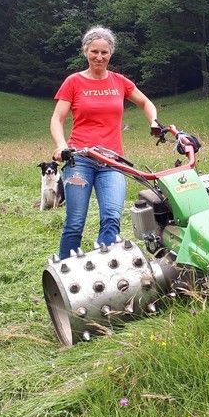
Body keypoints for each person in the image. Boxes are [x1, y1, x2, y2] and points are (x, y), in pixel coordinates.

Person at [50, 26, 159, 260]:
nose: (99, 57)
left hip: (112, 161)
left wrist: (154, 122)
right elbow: (57, 119)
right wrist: (61, 145)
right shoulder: (73, 82)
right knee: (75, 221)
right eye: (94, 51)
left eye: (104, 52)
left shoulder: (119, 82)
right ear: (85, 52)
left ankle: (106, 269)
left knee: (111, 217)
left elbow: (145, 102)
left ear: (111, 53)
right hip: (79, 159)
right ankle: (67, 272)